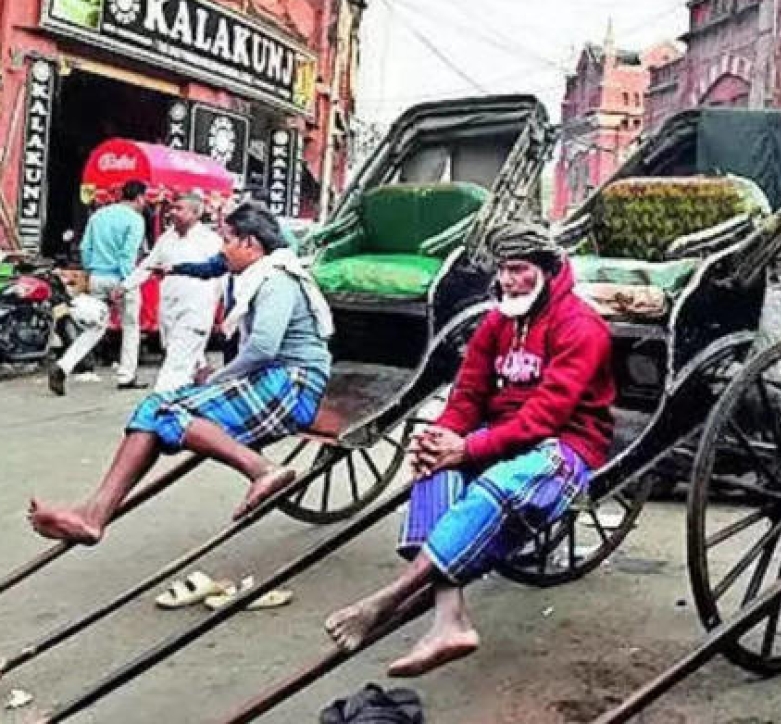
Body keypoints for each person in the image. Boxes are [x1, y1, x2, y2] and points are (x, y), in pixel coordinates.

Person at [324, 221, 614, 677]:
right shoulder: (497, 322)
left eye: (519, 270)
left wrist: (470, 447)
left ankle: (388, 598)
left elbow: (546, 415)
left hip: (566, 444)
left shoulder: (581, 326)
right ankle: (449, 619)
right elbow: (467, 394)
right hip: (502, 433)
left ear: (546, 271)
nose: (508, 281)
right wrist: (443, 438)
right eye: (503, 270)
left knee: (495, 485)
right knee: (432, 464)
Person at [28, 202, 334, 546]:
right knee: (151, 408)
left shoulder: (277, 279)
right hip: (266, 378)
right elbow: (209, 270)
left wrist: (219, 378)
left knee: (170, 413)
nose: (222, 248)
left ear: (250, 243)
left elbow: (263, 347)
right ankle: (92, 515)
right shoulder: (251, 272)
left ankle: (264, 470)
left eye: (228, 240)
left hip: (293, 383)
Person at [50, 180, 148, 395]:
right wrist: (125, 283)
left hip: (97, 277)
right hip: (121, 279)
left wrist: (91, 270)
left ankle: (63, 366)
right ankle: (126, 376)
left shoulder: (98, 215)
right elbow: (128, 254)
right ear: (140, 197)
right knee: (131, 326)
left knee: (95, 327)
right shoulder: (135, 220)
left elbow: (85, 247)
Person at [117, 193, 223, 392]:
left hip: (196, 309)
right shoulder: (166, 239)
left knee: (175, 365)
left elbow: (220, 277)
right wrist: (125, 286)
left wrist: (215, 309)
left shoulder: (211, 241)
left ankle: (162, 398)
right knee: (181, 354)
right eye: (172, 208)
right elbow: (148, 266)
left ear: (196, 213)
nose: (173, 212)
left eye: (179, 209)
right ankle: (201, 383)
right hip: (169, 308)